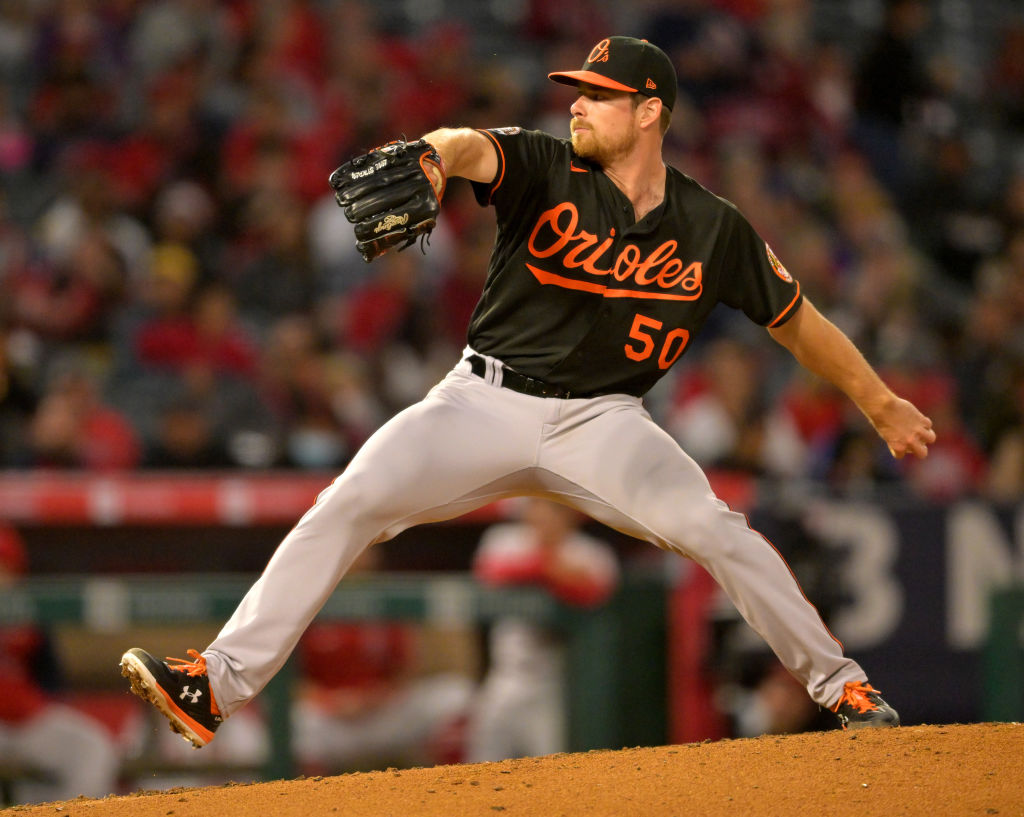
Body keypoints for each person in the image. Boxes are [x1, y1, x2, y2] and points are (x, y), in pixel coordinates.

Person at [121, 36, 936, 751]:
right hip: (482, 401)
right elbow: (473, 146)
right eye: (575, 91)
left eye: (598, 95)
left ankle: (844, 688)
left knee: (717, 530)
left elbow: (796, 321)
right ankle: (215, 686)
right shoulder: (548, 163)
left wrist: (878, 401)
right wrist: (433, 159)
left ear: (650, 111)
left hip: (604, 420)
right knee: (351, 499)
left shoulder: (712, 226)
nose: (577, 104)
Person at [466, 498, 619, 761]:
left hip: (556, 684)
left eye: (553, 510)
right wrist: (549, 568)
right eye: (537, 508)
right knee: (479, 766)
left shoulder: (590, 552)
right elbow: (489, 572)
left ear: (570, 515)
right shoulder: (504, 540)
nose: (543, 516)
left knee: (551, 768)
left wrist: (553, 572)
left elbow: (595, 589)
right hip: (504, 677)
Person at [0, 525, 120, 803]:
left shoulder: (30, 614)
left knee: (93, 748)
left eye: (3, 567)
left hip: (26, 722)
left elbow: (51, 679)